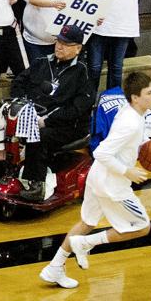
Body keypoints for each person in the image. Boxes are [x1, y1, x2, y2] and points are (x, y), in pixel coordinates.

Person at [38, 70, 151, 289]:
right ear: (135, 97)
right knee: (141, 226)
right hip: (112, 184)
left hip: (96, 177)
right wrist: (127, 171)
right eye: (149, 93)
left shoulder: (130, 112)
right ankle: (86, 243)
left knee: (87, 223)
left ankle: (54, 267)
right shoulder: (130, 122)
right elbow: (102, 152)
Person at [10, 24, 95, 201]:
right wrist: (23, 104)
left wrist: (47, 120)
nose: (59, 47)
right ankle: (1, 177)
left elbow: (77, 109)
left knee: (38, 135)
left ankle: (37, 184)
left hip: (69, 126)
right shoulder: (41, 63)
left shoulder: (83, 73)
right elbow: (18, 83)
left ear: (78, 48)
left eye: (66, 44)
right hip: (34, 118)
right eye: (58, 42)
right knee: (3, 127)